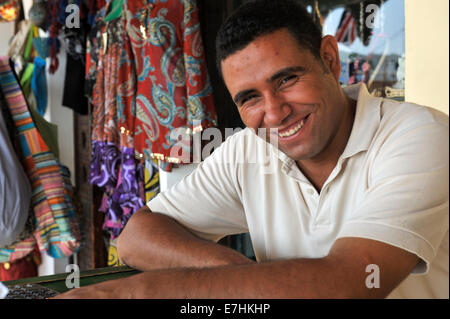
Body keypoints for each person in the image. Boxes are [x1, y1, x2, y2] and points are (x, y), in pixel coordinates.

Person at [55, 0, 448, 299]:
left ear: (329, 60)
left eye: (287, 79)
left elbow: (350, 282)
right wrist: (228, 267)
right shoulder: (248, 151)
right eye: (249, 98)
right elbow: (136, 237)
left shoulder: (420, 136)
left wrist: (133, 293)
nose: (274, 113)